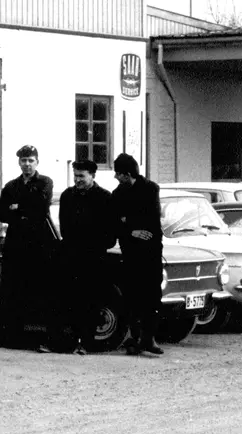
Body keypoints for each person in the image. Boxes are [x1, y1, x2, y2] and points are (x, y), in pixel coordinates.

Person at [0, 144, 54, 349]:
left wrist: (18, 207)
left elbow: (42, 208)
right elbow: (3, 213)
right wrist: (24, 208)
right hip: (15, 244)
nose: (27, 164)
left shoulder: (45, 182)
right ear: (19, 162)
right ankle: (12, 336)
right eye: (23, 160)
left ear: (37, 162)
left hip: (38, 244)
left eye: (30, 160)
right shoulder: (11, 186)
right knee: (12, 290)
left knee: (37, 289)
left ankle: (36, 336)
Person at [56, 159, 115, 355]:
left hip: (94, 257)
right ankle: (69, 343)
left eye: (82, 176)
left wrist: (91, 242)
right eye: (75, 176)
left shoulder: (105, 198)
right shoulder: (67, 196)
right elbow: (65, 228)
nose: (77, 180)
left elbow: (109, 235)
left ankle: (87, 344)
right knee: (70, 300)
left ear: (92, 176)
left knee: (91, 301)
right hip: (71, 255)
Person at [110, 152, 164, 356]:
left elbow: (151, 219)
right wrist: (131, 229)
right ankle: (133, 338)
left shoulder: (150, 189)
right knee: (132, 296)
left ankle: (149, 338)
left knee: (152, 296)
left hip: (150, 252)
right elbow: (115, 222)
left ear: (127, 173)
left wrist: (127, 221)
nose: (116, 177)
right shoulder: (117, 194)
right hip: (130, 252)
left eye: (118, 173)